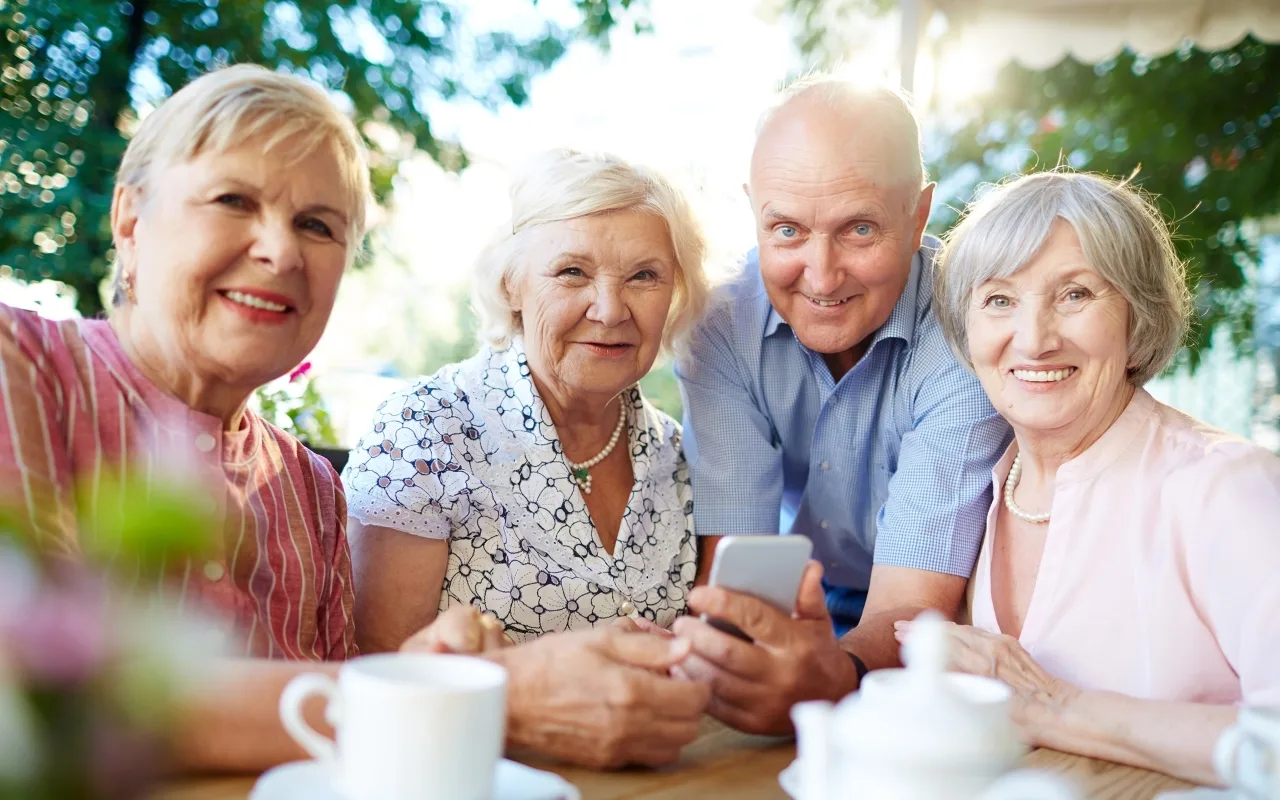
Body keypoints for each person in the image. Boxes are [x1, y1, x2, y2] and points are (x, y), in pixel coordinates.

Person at [0, 66, 708, 773]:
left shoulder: (308, 489)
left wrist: (429, 662)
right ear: (129, 219)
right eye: (232, 200)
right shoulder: (21, 367)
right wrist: (476, 697)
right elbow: (39, 692)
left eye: (317, 225)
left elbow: (349, 735)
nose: (280, 251)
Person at [911, 169, 1280, 785]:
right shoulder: (979, 485)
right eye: (999, 300)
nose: (1033, 340)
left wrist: (1052, 707)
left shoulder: (1227, 488)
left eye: (1075, 294)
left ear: (1138, 320)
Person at [669, 77, 1011, 734]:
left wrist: (834, 673)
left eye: (858, 229)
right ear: (755, 215)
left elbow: (915, 610)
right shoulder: (719, 328)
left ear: (918, 216)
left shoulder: (971, 331)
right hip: (814, 598)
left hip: (951, 623)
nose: (822, 278)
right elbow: (737, 577)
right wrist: (745, 663)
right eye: (788, 230)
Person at [344, 149, 708, 647]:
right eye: (572, 272)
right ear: (511, 284)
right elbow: (382, 675)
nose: (609, 310)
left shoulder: (683, 455)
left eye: (644, 276)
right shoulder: (422, 434)